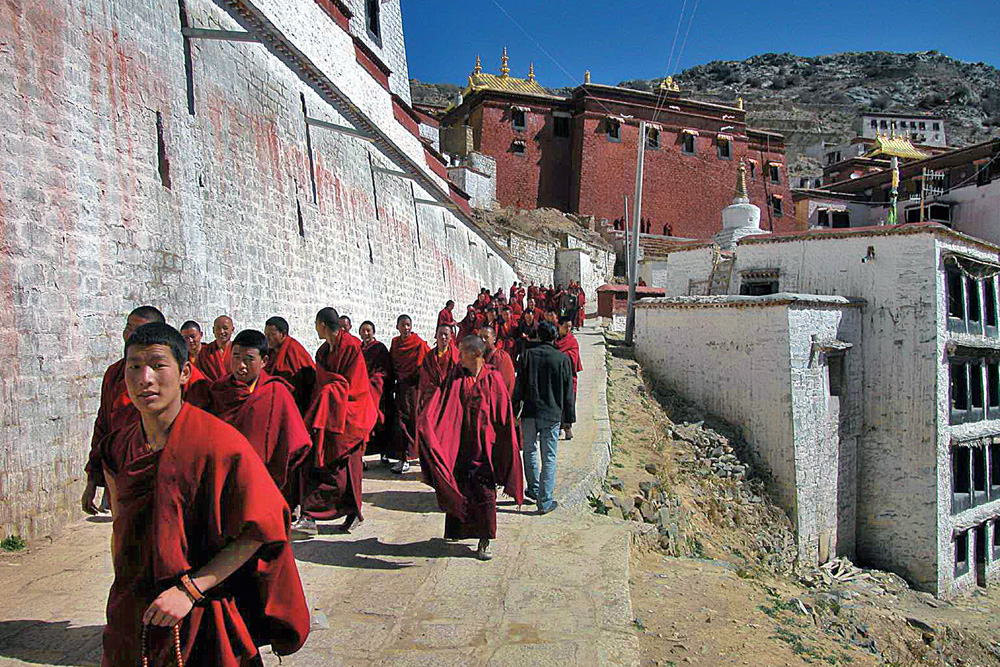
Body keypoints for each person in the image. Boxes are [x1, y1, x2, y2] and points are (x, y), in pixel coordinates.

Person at [84, 322, 309, 666]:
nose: (145, 379)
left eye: (158, 365)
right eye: (134, 366)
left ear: (185, 371)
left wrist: (191, 590)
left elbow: (263, 527)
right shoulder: (118, 447)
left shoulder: (219, 443)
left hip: (200, 608)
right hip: (132, 608)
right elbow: (121, 529)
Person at [418, 336, 524, 561]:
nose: (459, 357)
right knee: (460, 488)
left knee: (485, 496)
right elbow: (440, 405)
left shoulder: (493, 379)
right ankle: (458, 531)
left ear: (476, 354)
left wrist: (506, 447)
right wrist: (425, 422)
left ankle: (484, 540)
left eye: (463, 353)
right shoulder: (456, 377)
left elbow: (503, 417)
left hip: (485, 449)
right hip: (460, 447)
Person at [293, 308, 377, 535]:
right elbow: (323, 383)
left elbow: (355, 385)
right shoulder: (322, 352)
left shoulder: (350, 347)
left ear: (322, 324)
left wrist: (332, 391)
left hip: (352, 415)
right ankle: (323, 514)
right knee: (326, 467)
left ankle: (321, 513)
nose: (315, 328)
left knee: (347, 470)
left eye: (316, 324)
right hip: (330, 414)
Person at [209, 329, 312, 505]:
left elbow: (296, 441)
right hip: (224, 479)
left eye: (249, 359)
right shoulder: (219, 390)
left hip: (265, 481)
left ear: (264, 361)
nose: (241, 365)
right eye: (236, 357)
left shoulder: (276, 392)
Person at [82, 305, 165, 515]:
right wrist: (93, 478)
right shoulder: (114, 373)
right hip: (120, 475)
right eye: (128, 328)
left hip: (158, 477)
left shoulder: (168, 375)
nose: (129, 335)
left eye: (137, 331)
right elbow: (103, 425)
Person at [512, 321, 575, 514]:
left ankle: (533, 489)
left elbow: (519, 386)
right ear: (555, 337)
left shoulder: (527, 356)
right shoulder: (562, 359)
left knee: (530, 451)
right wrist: (568, 419)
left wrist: (514, 410)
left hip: (530, 412)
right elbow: (567, 391)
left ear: (538, 336)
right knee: (549, 456)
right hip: (552, 414)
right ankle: (545, 501)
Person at [389, 314, 429, 474]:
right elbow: (392, 363)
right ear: (397, 327)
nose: (406, 328)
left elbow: (427, 363)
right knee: (401, 421)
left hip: (415, 388)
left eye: (408, 325)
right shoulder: (395, 343)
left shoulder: (418, 343)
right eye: (402, 325)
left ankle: (413, 454)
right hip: (401, 387)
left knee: (414, 420)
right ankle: (403, 457)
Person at [264, 316, 317, 415]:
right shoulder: (270, 352)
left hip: (295, 402)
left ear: (283, 334)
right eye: (266, 334)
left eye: (272, 334)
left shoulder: (294, 350)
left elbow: (307, 378)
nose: (268, 338)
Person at [359, 320, 394, 467]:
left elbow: (386, 369)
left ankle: (384, 454)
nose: (366, 334)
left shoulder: (380, 348)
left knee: (381, 423)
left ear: (373, 332)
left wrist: (374, 381)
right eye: (363, 331)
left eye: (368, 331)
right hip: (363, 390)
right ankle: (365, 454)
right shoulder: (359, 349)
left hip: (379, 392)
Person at [417, 323, 460, 415]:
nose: (443, 337)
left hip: (451, 395)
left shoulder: (457, 355)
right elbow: (424, 379)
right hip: (433, 395)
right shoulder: (429, 356)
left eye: (446, 335)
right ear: (436, 336)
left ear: (451, 337)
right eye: (440, 334)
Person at [555, 316, 584, 441]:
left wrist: (561, 357)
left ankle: (568, 428)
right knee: (556, 402)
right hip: (555, 376)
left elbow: (574, 356)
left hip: (569, 377)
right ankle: (558, 426)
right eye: (566, 327)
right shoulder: (554, 340)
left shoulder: (572, 341)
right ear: (559, 326)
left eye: (570, 327)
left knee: (569, 402)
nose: (568, 330)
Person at [196, 315, 234, 382]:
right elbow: (200, 375)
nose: (221, 331)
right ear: (213, 330)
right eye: (218, 328)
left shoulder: (238, 350)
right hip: (210, 390)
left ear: (232, 330)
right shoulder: (205, 351)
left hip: (235, 390)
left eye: (225, 328)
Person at [479, 325, 515, 395]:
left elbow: (507, 383)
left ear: (494, 339)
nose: (482, 340)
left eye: (486, 337)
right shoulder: (477, 356)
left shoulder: (502, 357)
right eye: (480, 337)